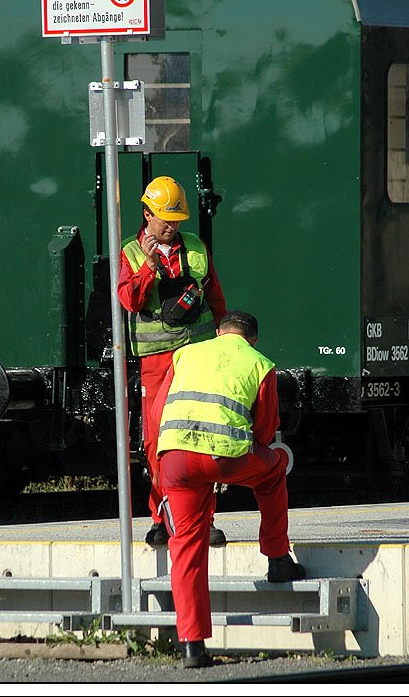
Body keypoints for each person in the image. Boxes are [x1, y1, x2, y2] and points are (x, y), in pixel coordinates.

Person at [152, 310, 305, 668]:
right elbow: (266, 432)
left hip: (175, 459)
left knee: (186, 548)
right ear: (252, 339)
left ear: (219, 332)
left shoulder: (185, 353)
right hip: (224, 457)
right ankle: (278, 558)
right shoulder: (260, 364)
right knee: (273, 471)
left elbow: (158, 413)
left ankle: (192, 646)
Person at [118, 176, 228, 546]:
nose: (173, 226)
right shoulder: (131, 252)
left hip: (196, 358)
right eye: (166, 218)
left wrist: (224, 344)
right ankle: (162, 518)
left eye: (178, 219)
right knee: (156, 444)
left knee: (200, 438)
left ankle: (203, 519)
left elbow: (216, 300)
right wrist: (149, 265)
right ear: (147, 214)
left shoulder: (196, 248)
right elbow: (130, 300)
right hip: (157, 362)